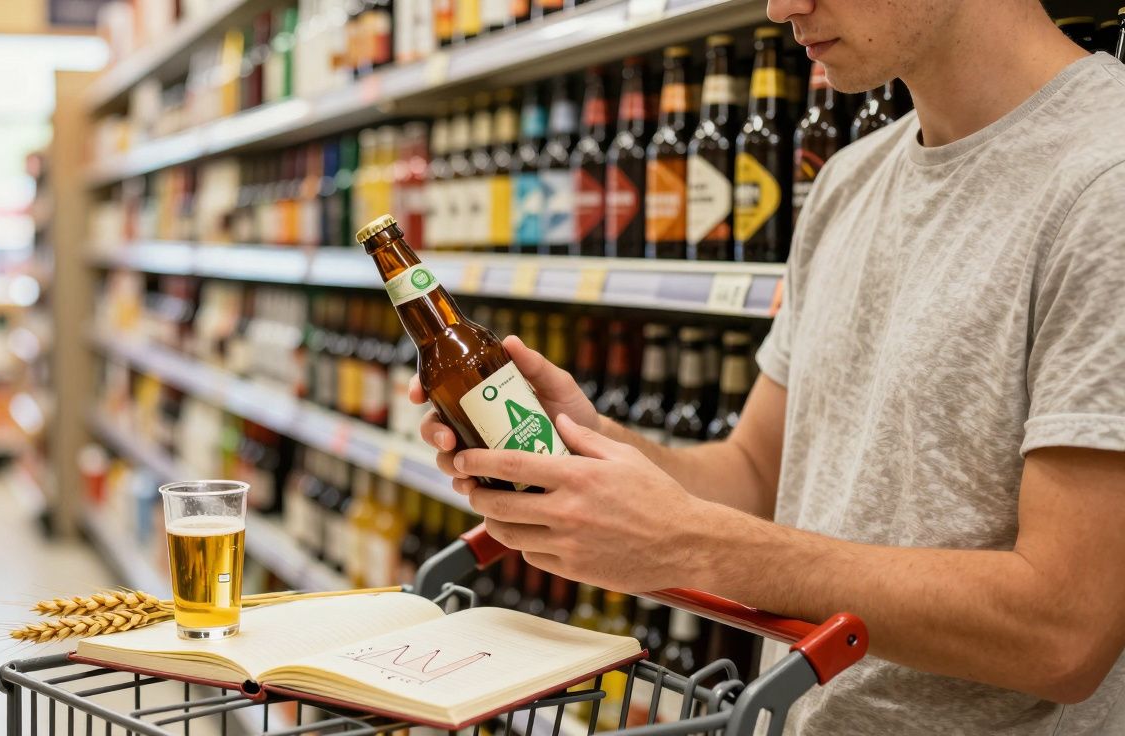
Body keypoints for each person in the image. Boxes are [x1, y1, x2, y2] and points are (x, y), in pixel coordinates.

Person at [409, 0, 1125, 733]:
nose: (784, 7)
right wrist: (581, 441)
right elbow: (756, 474)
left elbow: (1062, 633)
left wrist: (692, 544)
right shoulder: (848, 182)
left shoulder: (1105, 182)